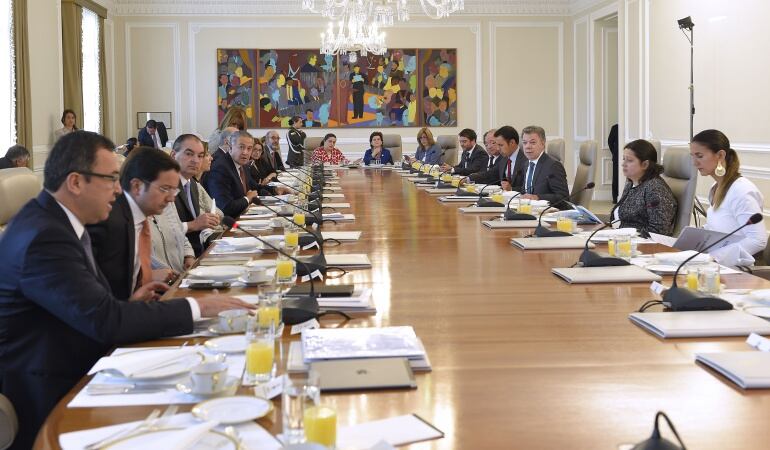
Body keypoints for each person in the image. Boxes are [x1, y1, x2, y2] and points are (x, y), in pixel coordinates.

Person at [0, 131, 252, 449]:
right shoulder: (44, 237)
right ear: (75, 182)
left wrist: (128, 303)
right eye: (110, 179)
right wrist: (199, 307)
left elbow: (92, 304)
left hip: (89, 358)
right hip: (57, 388)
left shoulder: (57, 222)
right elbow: (105, 320)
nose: (119, 189)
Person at [87, 147, 186, 299]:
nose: (171, 198)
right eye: (165, 189)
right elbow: (105, 295)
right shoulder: (111, 221)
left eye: (174, 191)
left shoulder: (136, 217)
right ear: (137, 186)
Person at [691, 129, 768, 266]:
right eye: (692, 156)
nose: (694, 163)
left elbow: (758, 240)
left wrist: (715, 257)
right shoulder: (715, 187)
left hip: (736, 268)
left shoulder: (742, 191)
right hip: (715, 265)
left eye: (700, 156)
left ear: (720, 155)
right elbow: (722, 226)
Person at [208, 131, 288, 218]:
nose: (245, 152)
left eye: (249, 148)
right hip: (231, 222)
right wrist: (247, 198)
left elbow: (255, 187)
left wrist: (275, 190)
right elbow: (225, 207)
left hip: (245, 215)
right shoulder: (220, 168)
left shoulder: (243, 166)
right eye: (241, 147)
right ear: (230, 147)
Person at [170, 134, 221, 257]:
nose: (196, 160)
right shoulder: (166, 186)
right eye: (189, 154)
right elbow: (162, 230)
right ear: (173, 155)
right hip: (176, 257)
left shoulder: (192, 184)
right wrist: (193, 225)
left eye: (200, 156)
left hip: (198, 254)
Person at [614, 140, 677, 237]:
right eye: (624, 159)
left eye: (629, 160)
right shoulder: (631, 182)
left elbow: (659, 230)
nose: (623, 164)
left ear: (645, 164)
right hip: (624, 237)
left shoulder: (655, 188)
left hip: (642, 242)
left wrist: (626, 236)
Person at [518, 126, 570, 208]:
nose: (527, 146)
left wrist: (538, 197)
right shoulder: (526, 164)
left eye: (532, 143)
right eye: (524, 143)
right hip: (528, 209)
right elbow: (526, 191)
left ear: (542, 144)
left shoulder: (553, 166)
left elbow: (564, 198)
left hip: (547, 212)